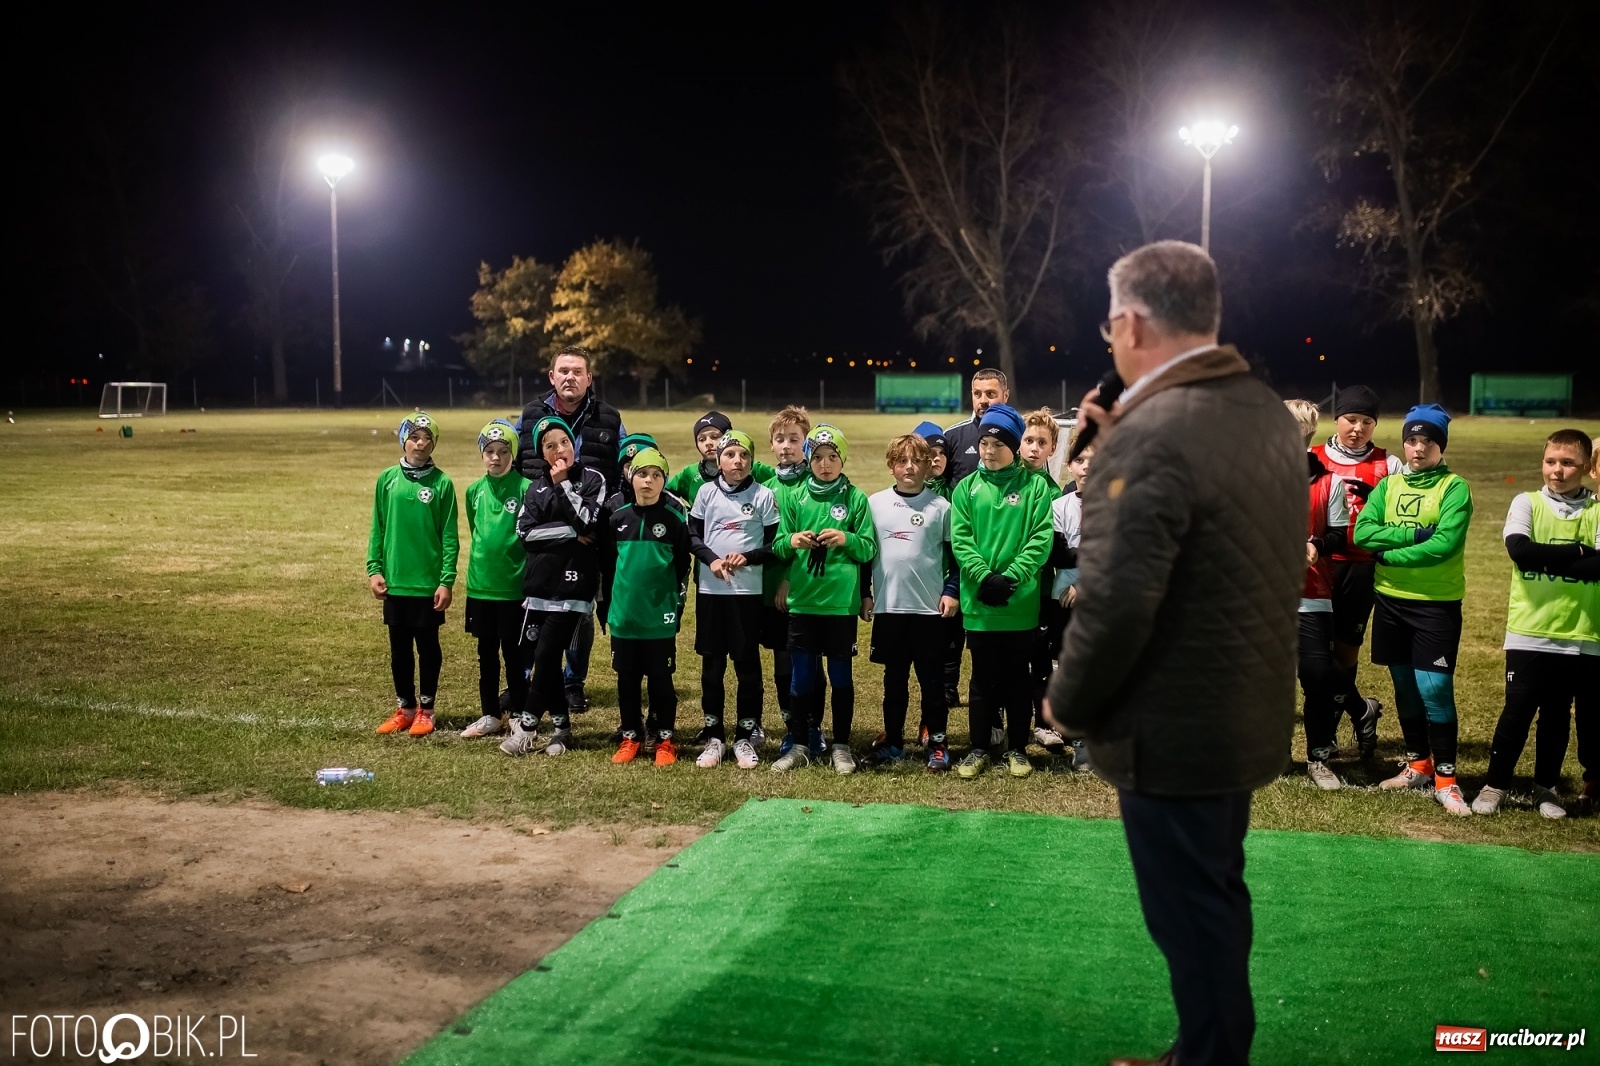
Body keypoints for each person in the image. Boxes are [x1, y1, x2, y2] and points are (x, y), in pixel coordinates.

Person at [1045, 240, 1304, 1066]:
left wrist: (1068, 702)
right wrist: (1124, 437)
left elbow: (1114, 603)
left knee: (1190, 916)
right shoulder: (1261, 407)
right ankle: (1204, 1046)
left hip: (1175, 728)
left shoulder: (1150, 436)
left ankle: (1211, 1057)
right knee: (1215, 900)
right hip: (1239, 710)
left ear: (1127, 323)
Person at [1352, 404, 1474, 815]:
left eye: (1427, 441)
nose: (1418, 449)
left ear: (1440, 446)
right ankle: (1418, 764)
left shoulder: (1455, 488)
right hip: (1390, 602)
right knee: (1404, 687)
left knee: (1435, 690)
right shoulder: (1389, 485)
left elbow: (1444, 545)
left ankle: (1447, 778)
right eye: (1411, 440)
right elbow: (1363, 532)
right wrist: (1413, 534)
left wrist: (1389, 554)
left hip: (1434, 607)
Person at [1473, 429, 1599, 818]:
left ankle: (1546, 789)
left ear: (1586, 467)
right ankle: (1495, 785)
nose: (1557, 471)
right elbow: (1520, 552)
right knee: (1517, 710)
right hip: (1530, 631)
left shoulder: (1597, 509)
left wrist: (1550, 557)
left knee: (1558, 716)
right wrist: (1578, 551)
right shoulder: (1525, 502)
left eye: (1567, 463)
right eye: (1550, 461)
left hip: (1580, 633)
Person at [516, 346, 627, 718]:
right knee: (540, 605)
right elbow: (521, 465)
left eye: (578, 371)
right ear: (551, 377)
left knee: (581, 609)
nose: (570, 377)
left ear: (589, 378)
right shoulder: (532, 415)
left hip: (590, 531)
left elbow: (620, 472)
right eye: (563, 370)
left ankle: (572, 682)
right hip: (546, 526)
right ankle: (535, 677)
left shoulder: (609, 418)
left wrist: (600, 519)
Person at [950, 402, 1055, 781]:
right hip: (979, 602)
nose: (989, 450)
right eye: (984, 443)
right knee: (980, 678)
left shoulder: (1035, 487)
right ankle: (978, 748)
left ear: (1012, 446)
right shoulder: (966, 488)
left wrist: (1010, 577)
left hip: (1019, 601)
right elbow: (961, 541)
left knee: (1016, 678)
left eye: (997, 443)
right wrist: (983, 577)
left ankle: (1016, 749)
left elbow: (1040, 540)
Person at [771, 424, 877, 773]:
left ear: (842, 459)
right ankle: (800, 743)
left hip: (838, 604)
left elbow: (869, 548)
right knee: (801, 678)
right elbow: (779, 543)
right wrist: (793, 542)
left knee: (841, 677)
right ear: (808, 458)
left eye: (833, 457)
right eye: (817, 457)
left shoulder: (855, 498)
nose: (825, 464)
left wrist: (846, 539)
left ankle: (842, 746)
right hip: (803, 601)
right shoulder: (797, 495)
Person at [502, 415, 609, 757]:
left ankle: (528, 728)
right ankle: (562, 729)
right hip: (539, 586)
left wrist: (564, 486)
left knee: (548, 656)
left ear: (574, 444)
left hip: (573, 587)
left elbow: (589, 523)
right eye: (550, 446)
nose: (559, 449)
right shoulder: (535, 487)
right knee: (539, 656)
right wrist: (567, 534)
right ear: (542, 453)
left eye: (563, 442)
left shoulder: (592, 479)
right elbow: (526, 534)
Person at [1310, 385, 1400, 758]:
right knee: (1314, 656)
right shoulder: (1311, 458)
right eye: (1351, 419)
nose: (1357, 428)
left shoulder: (1388, 465)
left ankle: (1337, 726)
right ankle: (1361, 711)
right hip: (1318, 566)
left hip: (1360, 571)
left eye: (1367, 421)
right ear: (1337, 419)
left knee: (1344, 655)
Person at [866, 433, 958, 771]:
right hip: (890, 608)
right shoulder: (874, 504)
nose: (909, 467)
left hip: (929, 610)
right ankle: (893, 741)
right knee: (894, 681)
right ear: (891, 466)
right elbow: (865, 555)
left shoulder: (941, 507)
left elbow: (956, 559)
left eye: (917, 461)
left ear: (927, 466)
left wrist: (952, 591)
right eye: (902, 461)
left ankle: (936, 742)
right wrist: (865, 594)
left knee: (933, 681)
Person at [688, 430, 780, 769]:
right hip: (712, 592)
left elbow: (775, 544)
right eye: (730, 455)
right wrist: (711, 559)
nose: (736, 461)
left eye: (743, 455)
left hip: (746, 593)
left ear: (752, 460)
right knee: (712, 666)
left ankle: (744, 736)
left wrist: (749, 556)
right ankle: (715, 736)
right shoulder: (705, 493)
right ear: (718, 459)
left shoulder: (763, 495)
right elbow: (692, 535)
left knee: (747, 664)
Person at [368, 412, 459, 738]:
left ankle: (426, 709)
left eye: (427, 438)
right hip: (395, 581)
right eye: (414, 437)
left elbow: (449, 535)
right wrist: (374, 569)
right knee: (399, 649)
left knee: (428, 646)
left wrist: (445, 580)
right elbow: (377, 527)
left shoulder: (442, 483)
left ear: (433, 443)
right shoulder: (387, 479)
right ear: (403, 440)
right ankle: (405, 709)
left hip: (427, 583)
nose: (420, 443)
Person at [600, 447, 692, 767]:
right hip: (625, 616)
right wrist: (608, 607)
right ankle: (631, 737)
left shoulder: (675, 521)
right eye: (642, 474)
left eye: (656, 475)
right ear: (631, 477)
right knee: (626, 680)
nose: (648, 481)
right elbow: (609, 567)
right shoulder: (617, 519)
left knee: (661, 680)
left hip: (659, 617)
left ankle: (664, 740)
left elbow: (681, 565)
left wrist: (672, 605)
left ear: (664, 480)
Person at [1285, 400, 1350, 790]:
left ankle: (1319, 758)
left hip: (1311, 595)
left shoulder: (1330, 482)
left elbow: (1339, 535)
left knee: (1317, 677)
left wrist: (1317, 546)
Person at [941, 369, 1011, 710]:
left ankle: (998, 687)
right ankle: (948, 686)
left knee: (995, 624)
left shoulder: (1016, 434)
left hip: (1001, 544)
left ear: (1005, 396)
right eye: (978, 393)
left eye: (991, 393)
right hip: (961, 544)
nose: (984, 400)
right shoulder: (954, 436)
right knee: (953, 618)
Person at [461, 420, 531, 739]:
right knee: (485, 654)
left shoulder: (526, 488)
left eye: (503, 451)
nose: (496, 458)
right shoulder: (474, 491)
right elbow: (476, 530)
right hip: (481, 588)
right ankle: (490, 713)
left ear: (512, 454)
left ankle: (517, 713)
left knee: (514, 655)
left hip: (513, 589)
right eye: (489, 451)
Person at [760, 405, 811, 751]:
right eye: (781, 439)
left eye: (794, 439)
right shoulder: (763, 488)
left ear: (806, 443)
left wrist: (792, 578)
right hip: (768, 590)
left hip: (806, 588)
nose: (787, 446)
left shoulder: (817, 484)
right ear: (772, 446)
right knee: (781, 657)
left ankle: (812, 725)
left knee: (806, 659)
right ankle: (791, 724)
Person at [1020, 408, 1066, 753]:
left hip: (1040, 590)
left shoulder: (1054, 493)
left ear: (1053, 449)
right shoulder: (1003, 481)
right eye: (1029, 440)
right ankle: (999, 722)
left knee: (1040, 660)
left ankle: (1043, 725)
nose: (1034, 448)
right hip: (1005, 589)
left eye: (1042, 443)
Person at [1048, 440, 1094, 771]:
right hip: (1063, 602)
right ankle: (1080, 742)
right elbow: (1058, 554)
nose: (1088, 466)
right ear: (1069, 466)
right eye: (1080, 459)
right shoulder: (1059, 506)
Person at [669, 411, 775, 506]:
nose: (708, 443)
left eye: (715, 437)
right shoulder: (690, 473)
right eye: (702, 439)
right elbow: (663, 493)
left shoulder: (750, 467)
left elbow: (781, 482)